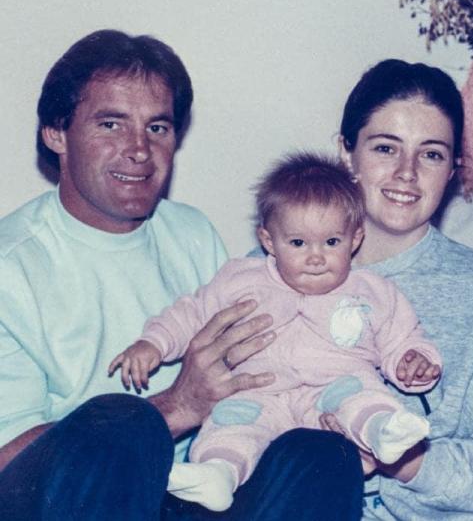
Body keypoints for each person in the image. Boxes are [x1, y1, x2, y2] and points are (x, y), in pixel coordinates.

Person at [0, 29, 361, 521]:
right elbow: (9, 467)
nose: (139, 149)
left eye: (158, 128)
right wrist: (174, 407)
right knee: (122, 419)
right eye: (111, 124)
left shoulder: (191, 233)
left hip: (189, 492)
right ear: (56, 132)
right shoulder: (10, 267)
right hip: (71, 504)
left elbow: (253, 371)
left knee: (321, 455)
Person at [109, 153, 442, 512]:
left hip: (333, 392)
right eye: (298, 244)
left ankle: (384, 432)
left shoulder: (373, 291)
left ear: (355, 238)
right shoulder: (241, 278)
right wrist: (153, 343)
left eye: (331, 242)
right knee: (230, 424)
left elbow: (403, 337)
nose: (316, 257)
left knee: (365, 399)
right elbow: (191, 313)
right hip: (258, 392)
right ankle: (217, 473)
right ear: (269, 241)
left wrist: (415, 360)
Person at [329, 58, 473, 520]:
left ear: (452, 171)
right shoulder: (273, 272)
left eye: (431, 154)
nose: (407, 173)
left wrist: (409, 461)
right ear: (346, 153)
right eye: (386, 148)